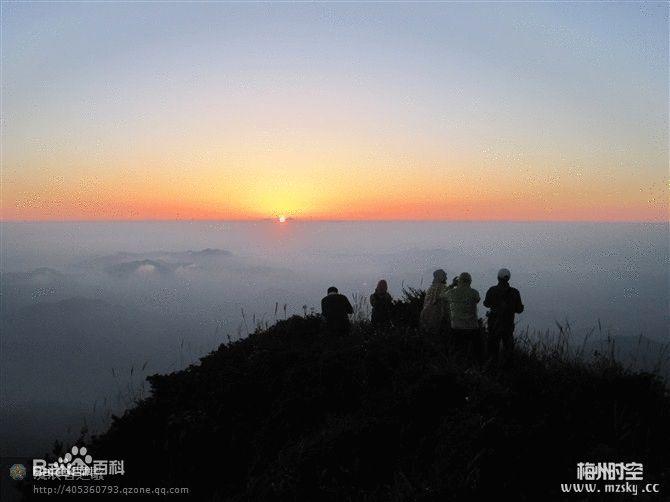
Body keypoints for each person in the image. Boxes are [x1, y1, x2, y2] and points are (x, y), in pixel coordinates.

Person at [484, 268, 524, 360]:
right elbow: (519, 310)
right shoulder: (515, 292)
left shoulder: (492, 290)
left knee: (493, 348)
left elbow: (486, 304)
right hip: (508, 324)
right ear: (508, 278)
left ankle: (492, 369)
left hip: (494, 324)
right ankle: (508, 369)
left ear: (498, 278)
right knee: (508, 348)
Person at [445, 272, 483, 362]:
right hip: (472, 327)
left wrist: (452, 285)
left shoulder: (451, 292)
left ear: (459, 281)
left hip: (456, 327)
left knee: (457, 350)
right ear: (470, 281)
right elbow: (477, 300)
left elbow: (441, 295)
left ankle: (457, 366)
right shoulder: (474, 292)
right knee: (475, 350)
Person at [420, 269, 451, 337]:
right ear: (441, 277)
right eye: (444, 276)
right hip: (436, 318)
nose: (446, 278)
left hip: (425, 316)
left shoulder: (431, 288)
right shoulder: (441, 287)